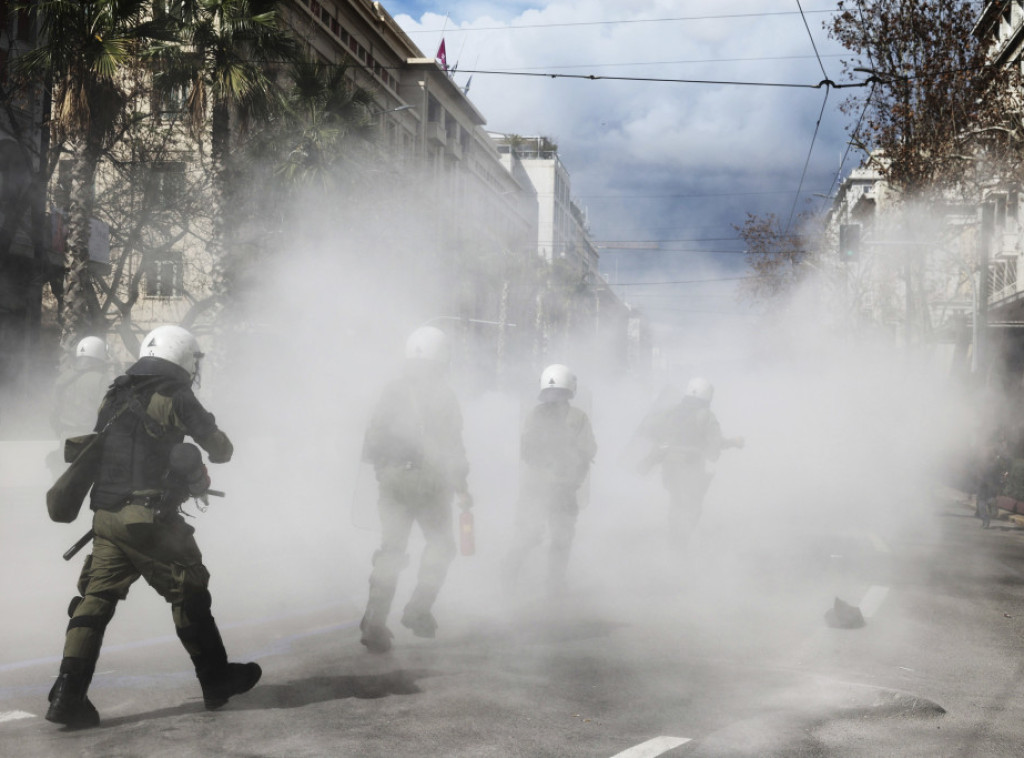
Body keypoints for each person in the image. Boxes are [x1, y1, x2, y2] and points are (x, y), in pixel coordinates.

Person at [45, 325, 260, 729]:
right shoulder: (175, 395)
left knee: (95, 600)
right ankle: (216, 680)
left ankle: (67, 694)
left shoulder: (115, 393)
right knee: (189, 586)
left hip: (106, 518)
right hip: (146, 521)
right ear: (183, 357)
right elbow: (222, 449)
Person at [358, 325, 473, 653]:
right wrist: (462, 486)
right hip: (430, 483)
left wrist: (386, 474)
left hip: (393, 482)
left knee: (391, 550)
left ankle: (374, 621)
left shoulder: (392, 390)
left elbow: (373, 440)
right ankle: (418, 610)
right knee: (441, 545)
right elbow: (454, 447)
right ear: (442, 357)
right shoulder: (444, 395)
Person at [502, 364, 597, 595]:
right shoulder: (578, 417)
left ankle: (508, 575)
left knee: (528, 533)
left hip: (534, 486)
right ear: (570, 389)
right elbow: (588, 451)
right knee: (560, 539)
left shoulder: (534, 414)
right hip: (562, 488)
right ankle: (554, 587)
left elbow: (525, 451)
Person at [638, 377, 743, 549]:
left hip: (669, 467)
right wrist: (731, 443)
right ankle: (680, 544)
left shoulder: (671, 411)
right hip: (691, 467)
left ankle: (675, 541)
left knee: (676, 502)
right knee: (692, 508)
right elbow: (713, 446)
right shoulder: (707, 416)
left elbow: (650, 430)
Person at [48, 337, 114, 475]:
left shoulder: (64, 377)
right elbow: (107, 412)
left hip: (66, 436)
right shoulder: (101, 379)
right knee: (88, 482)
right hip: (89, 438)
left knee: (66, 480)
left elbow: (53, 410)